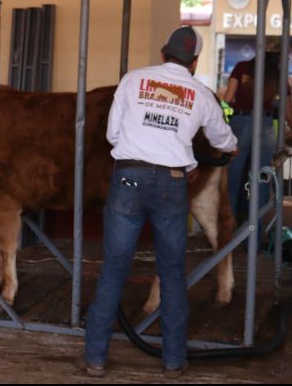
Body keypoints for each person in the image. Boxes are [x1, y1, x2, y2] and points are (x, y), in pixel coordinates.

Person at [77, 26, 238, 378]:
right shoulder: (200, 92)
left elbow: (112, 135)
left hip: (127, 180)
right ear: (194, 62)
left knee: (114, 269)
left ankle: (95, 359)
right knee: (172, 272)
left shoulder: (133, 80)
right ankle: (173, 360)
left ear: (164, 54)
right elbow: (224, 140)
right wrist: (202, 156)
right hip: (172, 184)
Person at [224, 37, 292, 232]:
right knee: (259, 180)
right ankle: (253, 233)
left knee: (232, 179)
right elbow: (289, 114)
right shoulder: (280, 76)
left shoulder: (241, 67)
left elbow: (227, 98)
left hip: (239, 125)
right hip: (265, 128)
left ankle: (226, 232)